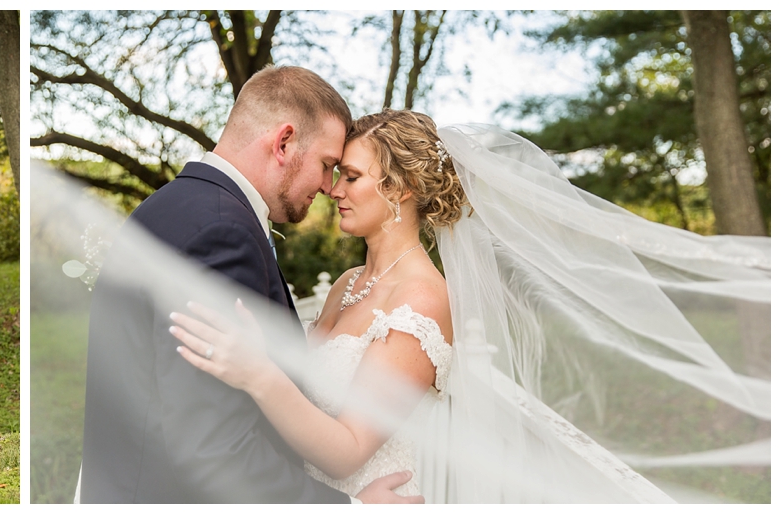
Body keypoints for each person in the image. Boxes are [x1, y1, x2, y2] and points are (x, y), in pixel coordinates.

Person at [170, 110, 771, 502]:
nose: (331, 188)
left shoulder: (423, 300)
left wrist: (257, 372)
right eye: (336, 173)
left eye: (350, 177)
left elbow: (350, 445)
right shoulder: (346, 283)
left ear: (400, 189)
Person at [78, 66, 422, 503]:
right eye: (327, 165)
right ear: (283, 143)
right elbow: (215, 446)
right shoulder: (223, 234)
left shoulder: (169, 206)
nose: (327, 186)